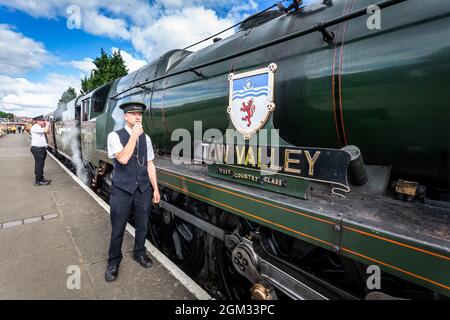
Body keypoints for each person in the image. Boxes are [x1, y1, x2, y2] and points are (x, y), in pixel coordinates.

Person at [105, 102, 160, 282]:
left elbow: (150, 164)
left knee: (142, 226)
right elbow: (123, 158)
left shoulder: (147, 139)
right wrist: (134, 137)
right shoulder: (114, 136)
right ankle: (113, 262)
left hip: (143, 189)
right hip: (122, 190)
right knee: (118, 228)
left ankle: (139, 253)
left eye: (140, 114)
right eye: (133, 114)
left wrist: (155, 189)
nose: (138, 117)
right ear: (125, 117)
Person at [30, 115, 51, 186]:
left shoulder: (39, 127)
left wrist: (46, 125)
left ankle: (41, 178)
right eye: (42, 120)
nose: (43, 121)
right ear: (38, 121)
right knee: (39, 165)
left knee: (40, 165)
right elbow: (45, 130)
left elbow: (47, 132)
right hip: (38, 149)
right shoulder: (35, 127)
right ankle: (38, 181)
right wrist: (47, 124)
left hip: (40, 149)